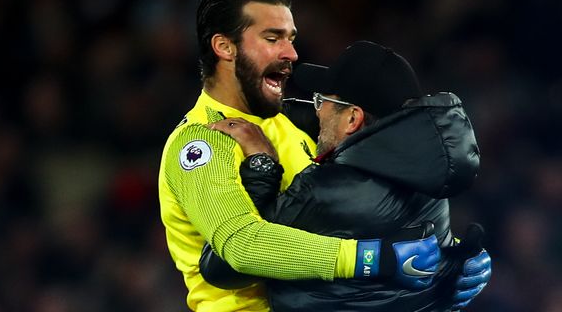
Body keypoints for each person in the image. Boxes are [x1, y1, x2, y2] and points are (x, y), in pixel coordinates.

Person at [158, 0, 442, 312]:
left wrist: (445, 263)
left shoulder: (291, 124)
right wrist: (369, 258)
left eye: (291, 39)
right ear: (224, 47)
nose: (291, 53)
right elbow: (240, 247)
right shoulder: (201, 142)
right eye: (272, 38)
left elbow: (354, 213)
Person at [200, 41, 492, 311]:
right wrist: (452, 262)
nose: (317, 112)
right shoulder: (430, 179)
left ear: (353, 118)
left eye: (322, 102)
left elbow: (222, 267)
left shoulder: (325, 191)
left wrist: (261, 166)